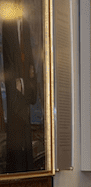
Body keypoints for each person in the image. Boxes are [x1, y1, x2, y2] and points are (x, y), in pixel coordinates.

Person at [2, 0, 37, 173]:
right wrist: (16, 81)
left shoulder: (25, 25)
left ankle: (27, 170)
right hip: (14, 88)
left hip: (25, 86)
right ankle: (15, 170)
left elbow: (29, 55)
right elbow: (8, 59)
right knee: (16, 131)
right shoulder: (7, 24)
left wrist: (28, 82)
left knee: (25, 131)